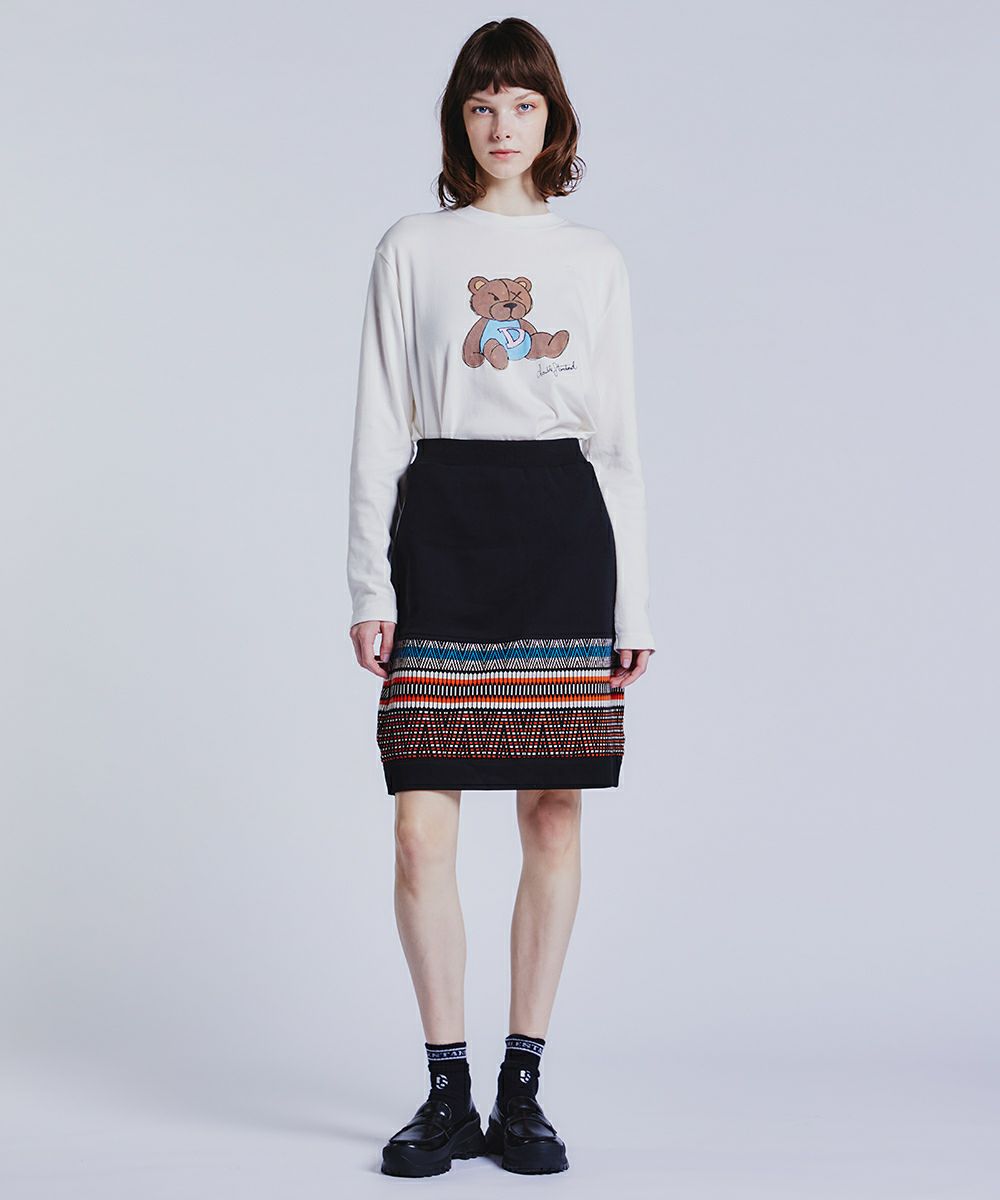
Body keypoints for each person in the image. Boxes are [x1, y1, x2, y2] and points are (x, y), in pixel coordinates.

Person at [347, 17, 656, 1179]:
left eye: (521, 104)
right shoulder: (411, 248)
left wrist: (634, 608)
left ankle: (521, 1088)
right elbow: (378, 423)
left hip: (561, 531)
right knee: (418, 829)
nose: (501, 125)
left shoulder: (595, 259)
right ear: (458, 121)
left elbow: (618, 447)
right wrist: (368, 581)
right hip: (443, 526)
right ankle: (446, 1091)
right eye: (481, 105)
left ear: (551, 118)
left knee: (552, 814)